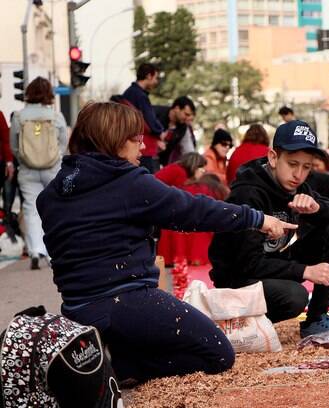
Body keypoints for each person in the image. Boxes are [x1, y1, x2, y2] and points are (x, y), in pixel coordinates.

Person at [35, 102, 295, 384]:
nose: (143, 148)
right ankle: (124, 366)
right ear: (113, 140)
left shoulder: (50, 195)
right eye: (135, 140)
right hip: (126, 301)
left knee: (161, 329)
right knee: (218, 353)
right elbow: (193, 210)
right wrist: (256, 219)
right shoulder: (128, 182)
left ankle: (119, 355)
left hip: (76, 309)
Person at [209, 120, 329, 338]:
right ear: (273, 158)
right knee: (295, 296)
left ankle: (317, 318)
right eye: (293, 164)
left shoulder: (298, 186)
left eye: (306, 167)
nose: (299, 174)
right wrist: (304, 271)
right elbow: (247, 263)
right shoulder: (248, 194)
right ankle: (237, 324)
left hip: (272, 262)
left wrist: (316, 207)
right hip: (237, 279)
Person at [9, 77, 68, 270]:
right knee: (54, 208)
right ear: (49, 94)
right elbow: (63, 142)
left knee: (30, 209)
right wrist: (54, 157)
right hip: (52, 168)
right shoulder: (56, 116)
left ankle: (35, 250)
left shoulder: (18, 116)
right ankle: (53, 253)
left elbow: (14, 146)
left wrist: (24, 159)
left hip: (28, 170)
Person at [122, 63, 165, 173]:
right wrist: (160, 133)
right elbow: (149, 119)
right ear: (149, 76)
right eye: (155, 78)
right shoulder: (140, 96)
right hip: (144, 146)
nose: (156, 82)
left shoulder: (129, 92)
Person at [155, 96, 197, 166]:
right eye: (186, 114)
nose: (188, 118)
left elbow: (188, 150)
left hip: (161, 163)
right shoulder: (155, 113)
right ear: (177, 108)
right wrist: (153, 142)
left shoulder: (184, 128)